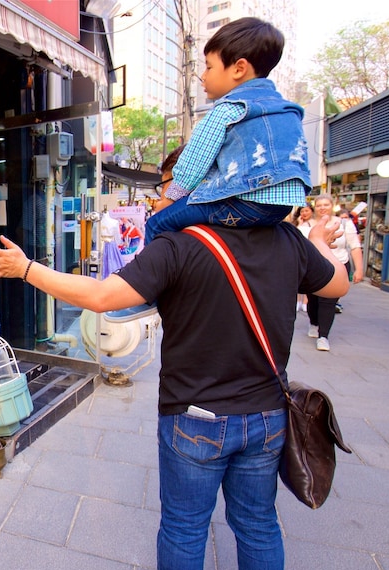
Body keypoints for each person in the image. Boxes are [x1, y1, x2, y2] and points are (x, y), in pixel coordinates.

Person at [0, 184, 348, 570]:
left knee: (185, 529)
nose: (160, 200)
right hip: (267, 415)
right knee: (258, 525)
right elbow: (338, 284)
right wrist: (320, 241)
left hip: (195, 416)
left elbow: (102, 296)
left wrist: (26, 269)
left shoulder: (178, 245)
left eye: (169, 190)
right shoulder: (287, 239)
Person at [144, 17, 309, 243]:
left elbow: (194, 161)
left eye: (209, 66)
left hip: (241, 201)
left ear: (239, 68)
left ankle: (153, 275)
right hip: (282, 207)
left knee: (158, 223)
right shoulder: (289, 111)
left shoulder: (230, 109)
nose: (203, 75)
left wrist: (170, 199)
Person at [306, 193, 362, 351]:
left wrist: (359, 269)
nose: (322, 208)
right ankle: (314, 323)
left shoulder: (344, 224)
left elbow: (355, 246)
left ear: (332, 206)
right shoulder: (307, 224)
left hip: (338, 265)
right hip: (314, 267)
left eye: (326, 204)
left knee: (328, 301)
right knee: (313, 300)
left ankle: (323, 336)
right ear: (314, 207)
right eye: (319, 205)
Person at [294, 205, 316, 311]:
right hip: (298, 253)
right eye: (302, 211)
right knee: (298, 277)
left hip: (311, 253)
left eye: (306, 211)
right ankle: (298, 300)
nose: (304, 213)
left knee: (309, 277)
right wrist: (299, 223)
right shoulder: (296, 224)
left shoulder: (315, 223)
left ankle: (306, 301)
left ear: (311, 211)